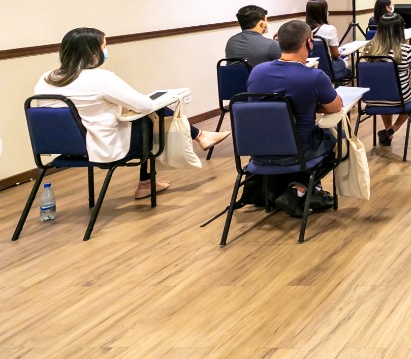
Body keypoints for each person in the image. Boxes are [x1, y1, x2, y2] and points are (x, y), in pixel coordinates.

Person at [34, 27, 229, 200]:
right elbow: (145, 105)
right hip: (101, 147)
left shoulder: (46, 78)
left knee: (147, 118)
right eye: (104, 47)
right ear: (93, 52)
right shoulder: (100, 78)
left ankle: (197, 139)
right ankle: (151, 178)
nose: (105, 51)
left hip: (67, 147)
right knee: (153, 118)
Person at [245, 19, 343, 216]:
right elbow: (335, 107)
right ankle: (301, 189)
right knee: (336, 141)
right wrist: (313, 104)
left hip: (259, 153)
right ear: (309, 42)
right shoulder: (314, 76)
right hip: (297, 154)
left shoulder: (257, 72)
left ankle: (297, 191)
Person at [362, 12, 411, 147]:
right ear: (400, 30)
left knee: (385, 88)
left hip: (371, 97)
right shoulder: (405, 50)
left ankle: (388, 129)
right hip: (399, 98)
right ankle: (394, 127)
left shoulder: (369, 49)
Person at [305, 0, 349, 81]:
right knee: (348, 63)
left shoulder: (302, 29)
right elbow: (335, 54)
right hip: (328, 69)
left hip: (308, 68)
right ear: (323, 12)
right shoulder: (329, 29)